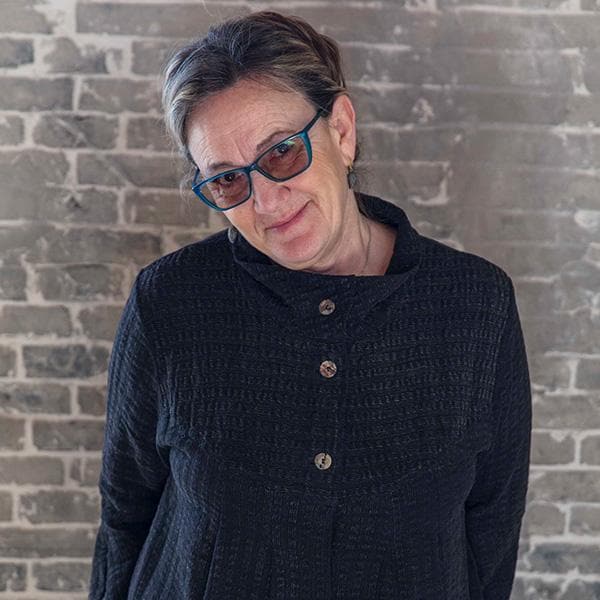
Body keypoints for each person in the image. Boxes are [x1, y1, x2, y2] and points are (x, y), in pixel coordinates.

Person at [89, 10, 532, 600]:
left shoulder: (476, 305)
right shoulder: (170, 301)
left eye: (280, 153)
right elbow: (125, 513)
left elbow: (491, 528)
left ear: (341, 132)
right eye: (227, 180)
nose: (266, 202)